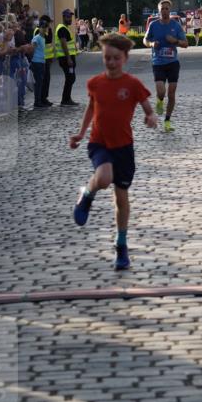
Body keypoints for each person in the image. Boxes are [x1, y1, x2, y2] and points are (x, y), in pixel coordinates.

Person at [69, 34, 157, 270]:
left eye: (115, 58)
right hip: (99, 143)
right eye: (107, 58)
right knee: (105, 178)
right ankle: (87, 194)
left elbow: (148, 109)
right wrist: (80, 133)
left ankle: (121, 245)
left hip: (124, 148)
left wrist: (151, 117)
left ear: (125, 58)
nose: (110, 62)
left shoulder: (133, 84)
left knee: (121, 198)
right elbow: (90, 109)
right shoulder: (95, 83)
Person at [143, 0, 188, 132]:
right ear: (158, 11)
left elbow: (185, 44)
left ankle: (167, 121)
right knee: (161, 92)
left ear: (170, 10)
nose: (164, 10)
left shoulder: (176, 25)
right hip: (158, 62)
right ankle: (159, 101)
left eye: (167, 8)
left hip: (173, 63)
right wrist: (151, 44)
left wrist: (175, 41)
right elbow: (145, 39)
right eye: (162, 8)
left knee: (172, 93)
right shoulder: (153, 25)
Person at [55, 9, 78, 106]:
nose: (70, 19)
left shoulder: (65, 28)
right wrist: (68, 58)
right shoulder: (62, 29)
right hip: (65, 58)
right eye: (68, 17)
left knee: (71, 78)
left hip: (68, 58)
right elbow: (64, 44)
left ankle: (67, 99)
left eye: (71, 17)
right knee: (70, 78)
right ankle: (65, 100)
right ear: (64, 17)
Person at [36, 15, 55, 106]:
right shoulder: (38, 30)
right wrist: (49, 30)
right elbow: (47, 41)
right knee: (42, 80)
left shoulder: (46, 30)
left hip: (47, 58)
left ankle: (44, 98)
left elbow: (49, 42)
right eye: (48, 23)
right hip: (40, 59)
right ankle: (40, 99)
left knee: (46, 79)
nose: (50, 25)